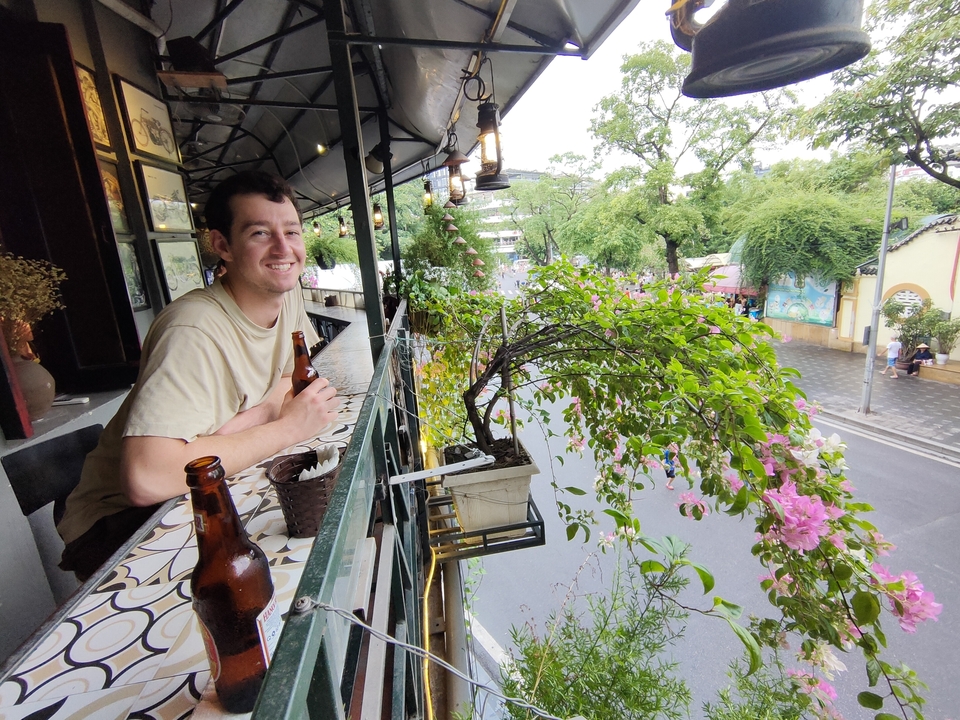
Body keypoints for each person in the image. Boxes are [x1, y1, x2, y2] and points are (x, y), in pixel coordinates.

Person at [58, 171, 341, 580]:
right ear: (222, 246)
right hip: (121, 525)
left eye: (292, 231)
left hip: (199, 488)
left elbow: (287, 381)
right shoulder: (191, 330)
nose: (284, 248)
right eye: (260, 233)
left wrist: (239, 427)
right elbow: (147, 477)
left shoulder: (285, 293)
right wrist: (287, 428)